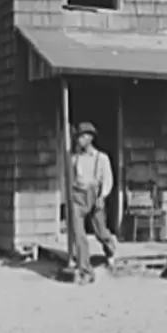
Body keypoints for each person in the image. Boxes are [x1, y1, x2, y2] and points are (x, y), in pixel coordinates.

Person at [69, 121, 117, 284]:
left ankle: (109, 245)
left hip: (95, 195)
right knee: (79, 234)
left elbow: (108, 180)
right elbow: (70, 179)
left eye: (82, 137)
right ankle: (85, 270)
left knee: (100, 231)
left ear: (90, 138)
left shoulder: (101, 158)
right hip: (78, 196)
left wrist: (102, 196)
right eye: (78, 137)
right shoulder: (74, 159)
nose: (79, 140)